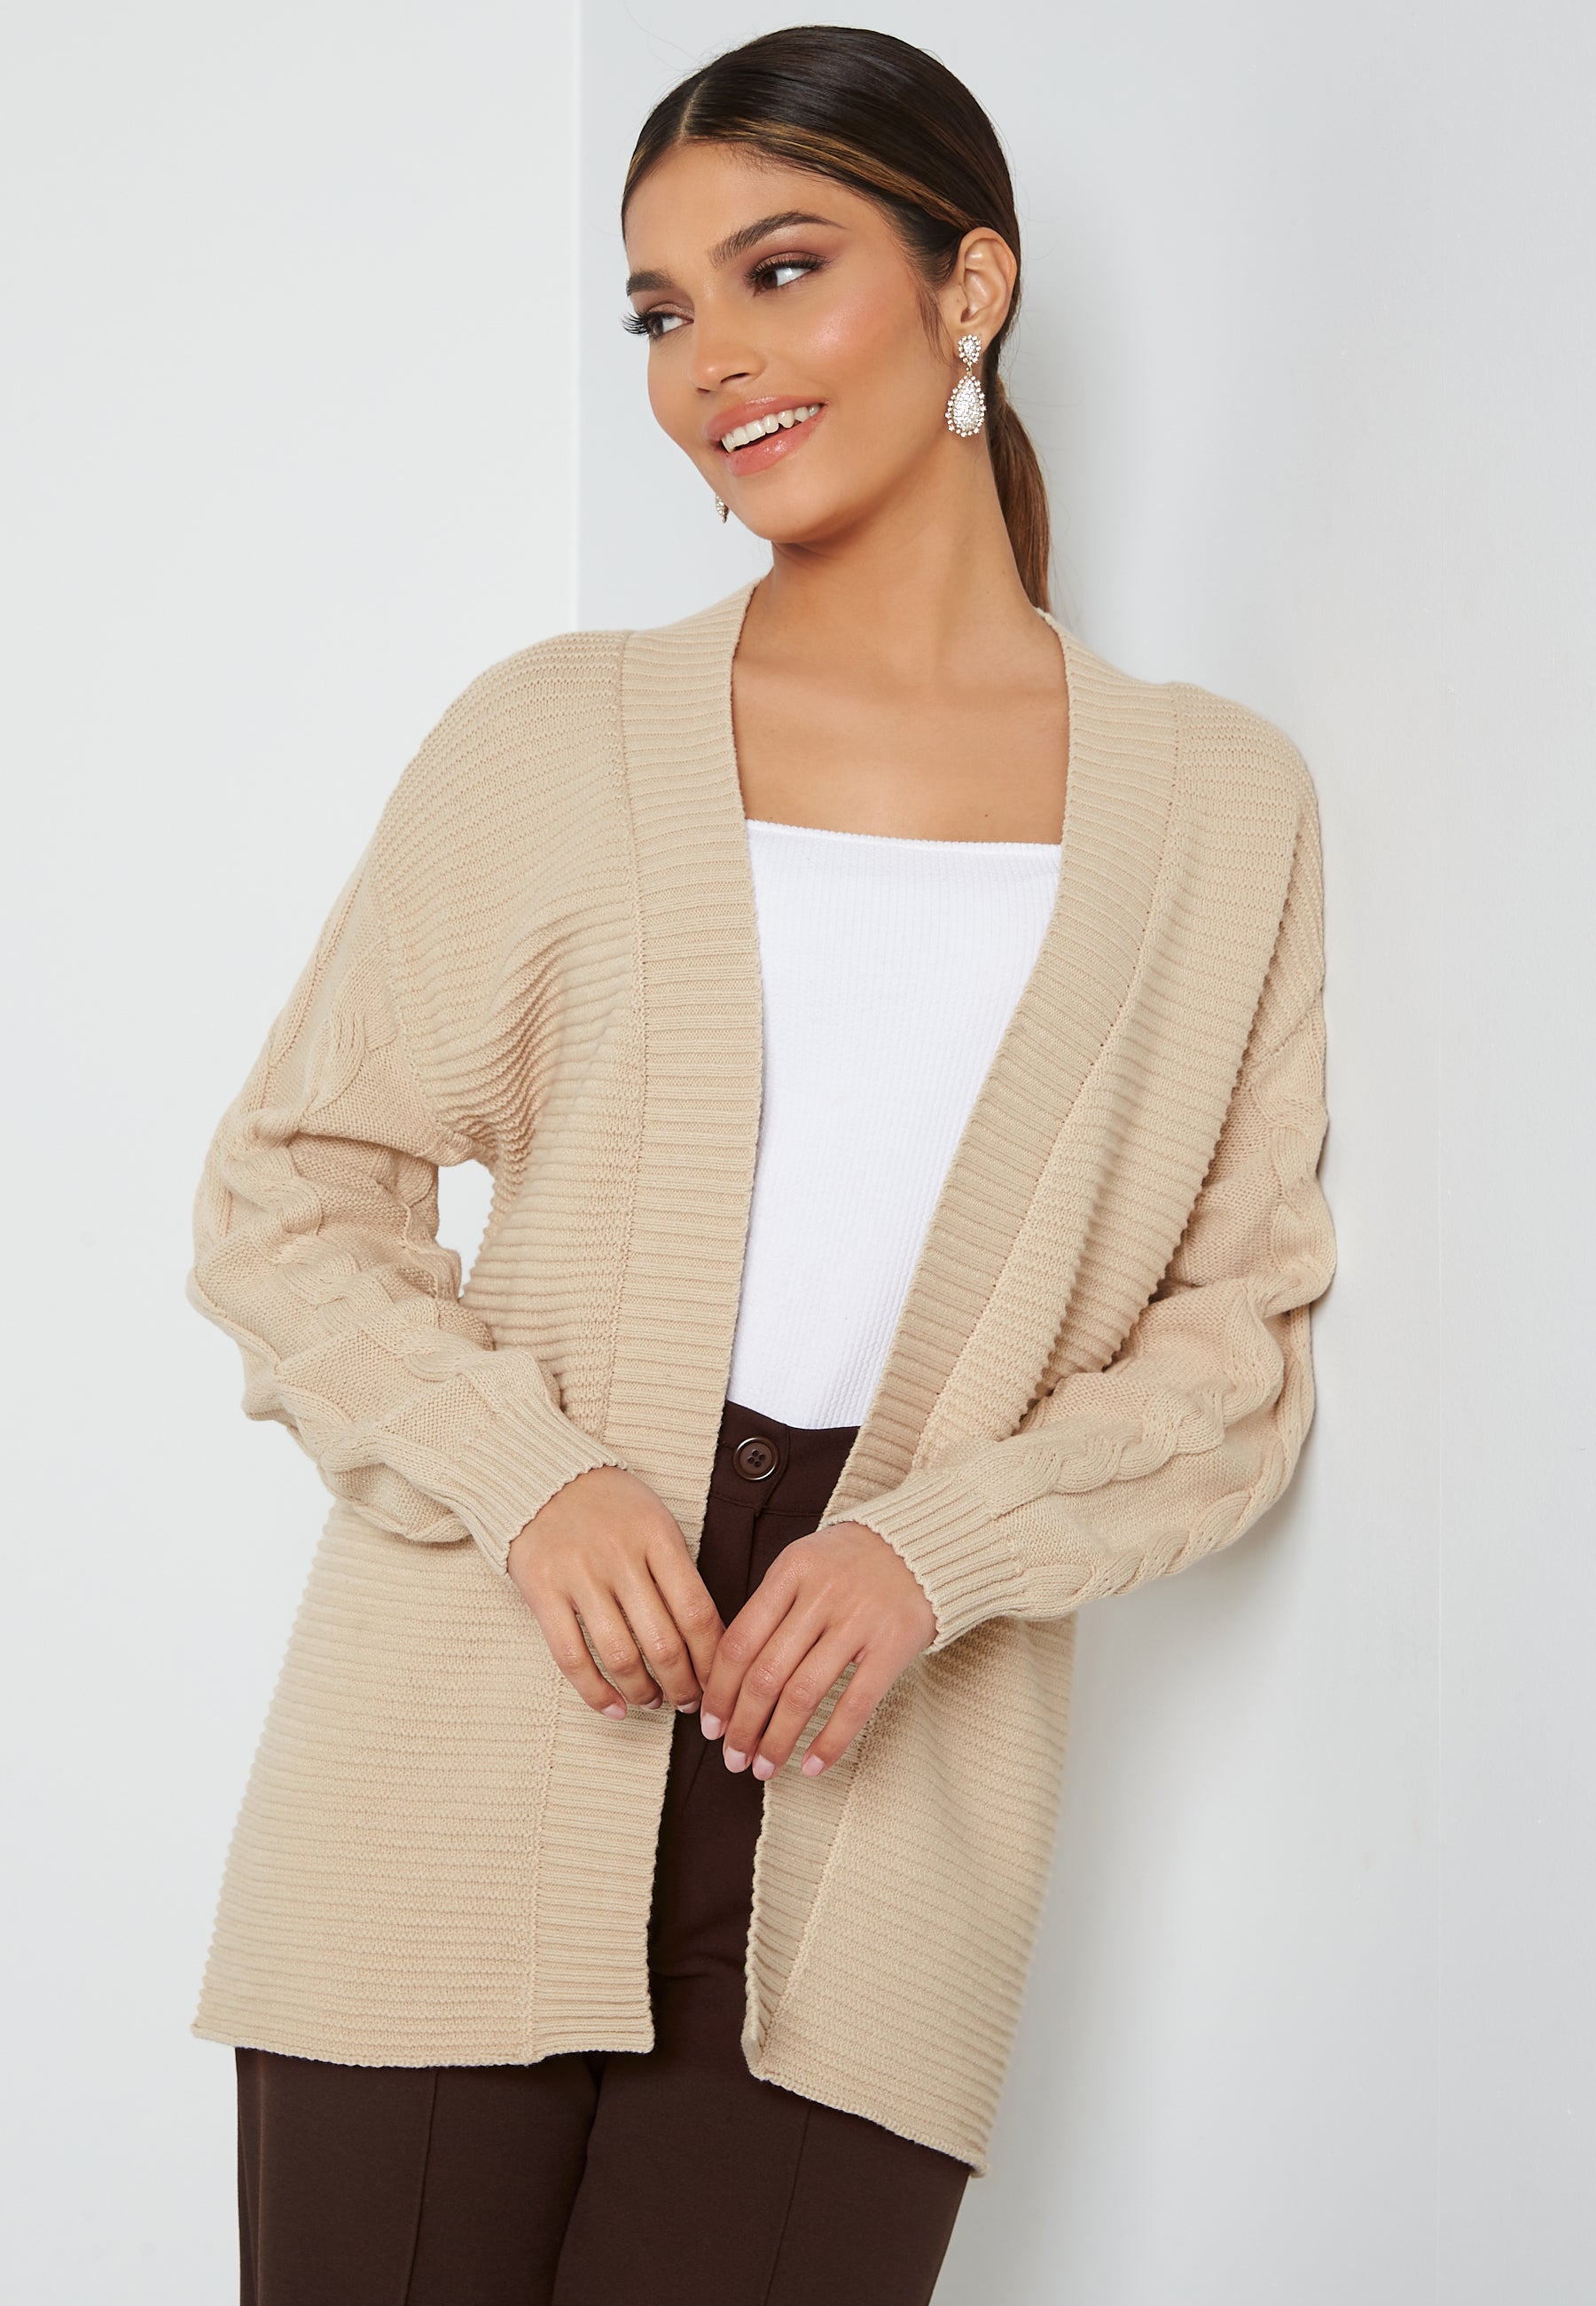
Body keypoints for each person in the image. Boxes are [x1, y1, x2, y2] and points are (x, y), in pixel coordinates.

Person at [191, 25, 1337, 2305]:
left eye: (779, 269)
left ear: (969, 286)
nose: (708, 360)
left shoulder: (1221, 808)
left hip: (887, 1775)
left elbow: (1241, 1337)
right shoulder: (550, 736)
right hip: (469, 1709)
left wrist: (941, 1546)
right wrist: (529, 1475)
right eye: (660, 309)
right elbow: (288, 1190)